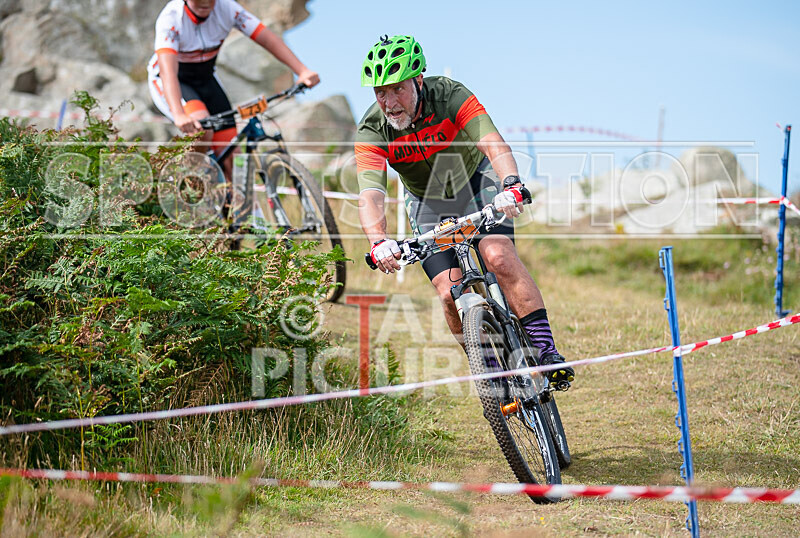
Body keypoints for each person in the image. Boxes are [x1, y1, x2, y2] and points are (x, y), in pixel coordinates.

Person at [355, 35, 574, 384]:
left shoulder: (449, 94)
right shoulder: (372, 129)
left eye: (398, 89)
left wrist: (511, 184)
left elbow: (492, 142)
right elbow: (370, 194)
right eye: (380, 92)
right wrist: (378, 241)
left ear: (418, 81)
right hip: (427, 201)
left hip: (476, 183)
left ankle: (546, 352)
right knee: (448, 292)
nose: (389, 102)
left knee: (498, 257)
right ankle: (488, 372)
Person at [147, 0, 319, 180]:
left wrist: (302, 70)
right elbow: (168, 73)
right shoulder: (171, 18)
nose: (205, 2)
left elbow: (266, 38)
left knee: (233, 156)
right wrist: (179, 114)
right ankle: (186, 184)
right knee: (202, 130)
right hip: (172, 80)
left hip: (206, 79)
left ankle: (232, 196)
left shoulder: (227, 8)